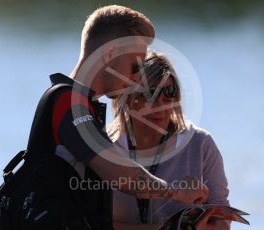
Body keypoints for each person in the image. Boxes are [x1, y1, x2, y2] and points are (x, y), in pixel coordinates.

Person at [24, 5, 208, 230]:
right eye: (134, 67)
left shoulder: (83, 106)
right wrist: (176, 192)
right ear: (110, 53)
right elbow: (123, 174)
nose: (135, 79)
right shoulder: (69, 103)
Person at [109, 52, 230, 229]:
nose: (161, 106)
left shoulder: (201, 144)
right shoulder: (104, 146)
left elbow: (223, 221)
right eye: (150, 95)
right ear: (127, 98)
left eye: (169, 93)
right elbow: (91, 223)